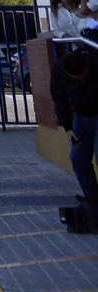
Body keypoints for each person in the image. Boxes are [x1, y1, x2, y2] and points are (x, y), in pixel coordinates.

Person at [53, 45, 98, 203]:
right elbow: (59, 100)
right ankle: (92, 198)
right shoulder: (59, 70)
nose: (82, 80)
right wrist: (68, 129)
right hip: (81, 117)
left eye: (83, 76)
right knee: (78, 158)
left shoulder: (95, 59)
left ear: (87, 64)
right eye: (77, 79)